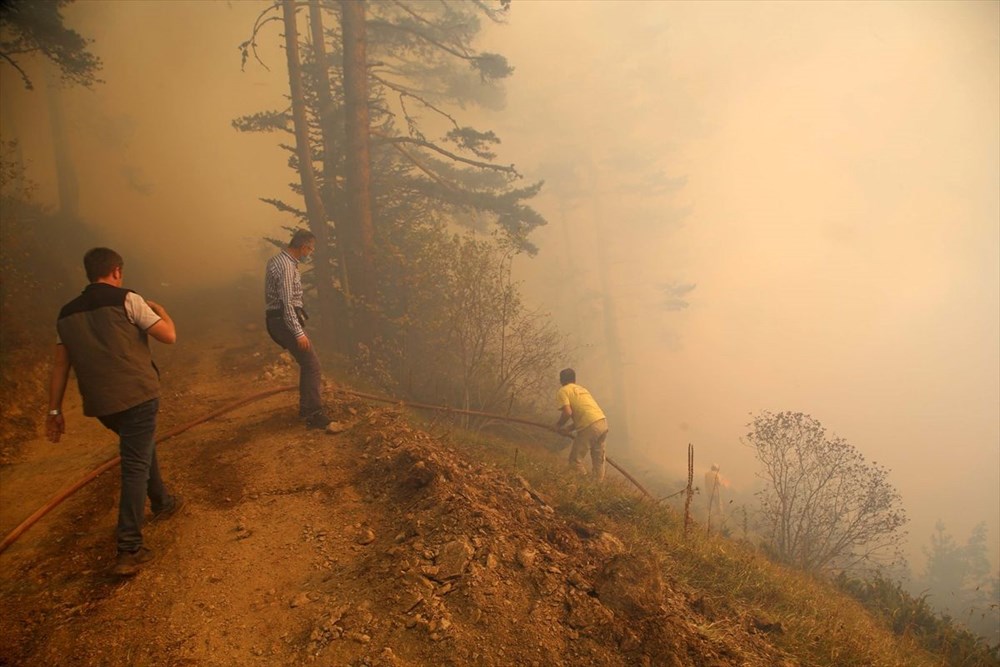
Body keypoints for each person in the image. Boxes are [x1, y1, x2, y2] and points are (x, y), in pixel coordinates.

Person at [46, 247, 183, 576]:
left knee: (140, 447)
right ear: (117, 271)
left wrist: (54, 411)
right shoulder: (128, 299)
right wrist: (162, 311)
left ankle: (162, 501)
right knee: (135, 465)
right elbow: (169, 336)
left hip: (102, 405)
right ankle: (128, 548)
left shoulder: (65, 315)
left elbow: (60, 366)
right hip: (137, 396)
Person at [265, 229, 331, 429]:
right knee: (312, 365)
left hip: (279, 320)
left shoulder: (278, 260)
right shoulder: (286, 266)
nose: (310, 253)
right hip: (283, 321)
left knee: (307, 363)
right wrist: (298, 332)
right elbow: (286, 303)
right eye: (310, 249)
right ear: (303, 246)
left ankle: (307, 409)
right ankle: (314, 414)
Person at [555, 368, 609, 481]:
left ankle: (585, 484)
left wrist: (558, 425)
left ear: (561, 380)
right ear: (574, 379)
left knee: (575, 460)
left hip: (590, 426)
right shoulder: (582, 389)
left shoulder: (564, 390)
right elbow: (584, 414)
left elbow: (567, 412)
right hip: (602, 422)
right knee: (598, 460)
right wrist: (568, 429)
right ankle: (597, 487)